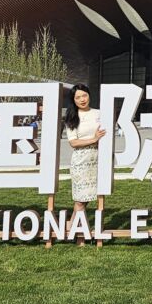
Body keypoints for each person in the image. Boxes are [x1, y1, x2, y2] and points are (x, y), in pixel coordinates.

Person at [62, 84, 103, 241]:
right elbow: (73, 142)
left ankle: (70, 228)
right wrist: (94, 139)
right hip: (81, 161)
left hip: (98, 159)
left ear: (89, 95)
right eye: (78, 97)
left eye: (84, 95)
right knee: (80, 199)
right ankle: (80, 237)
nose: (82, 99)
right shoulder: (72, 117)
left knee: (86, 200)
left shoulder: (99, 113)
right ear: (73, 100)